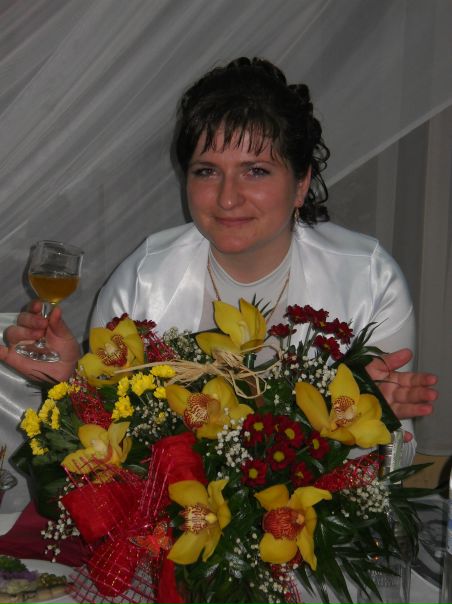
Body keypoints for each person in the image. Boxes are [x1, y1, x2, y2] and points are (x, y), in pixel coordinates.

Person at [0, 57, 437, 439]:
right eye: (207, 171)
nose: (227, 198)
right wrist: (73, 382)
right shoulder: (145, 278)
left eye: (256, 171)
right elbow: (107, 452)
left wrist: (366, 421)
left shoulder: (368, 280)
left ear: (302, 182)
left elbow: (388, 458)